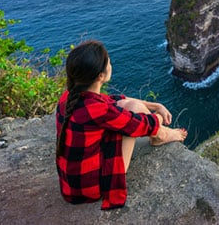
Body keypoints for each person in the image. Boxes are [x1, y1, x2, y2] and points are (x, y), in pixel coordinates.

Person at [55, 40, 187, 209]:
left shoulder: (68, 97)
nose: (111, 63)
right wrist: (159, 116)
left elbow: (114, 101)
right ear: (100, 76)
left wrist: (155, 105)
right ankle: (163, 136)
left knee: (130, 107)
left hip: (72, 185)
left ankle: (160, 135)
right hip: (92, 188)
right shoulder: (98, 110)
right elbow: (141, 125)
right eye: (108, 61)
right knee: (134, 115)